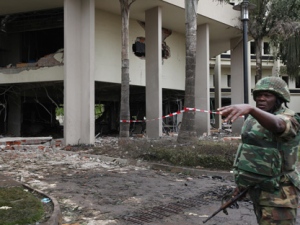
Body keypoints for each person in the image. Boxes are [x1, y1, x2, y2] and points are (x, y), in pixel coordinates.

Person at [217, 76, 300, 225]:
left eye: (267, 95)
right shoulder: (253, 119)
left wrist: (251, 109)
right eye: (258, 95)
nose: (261, 99)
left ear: (279, 98)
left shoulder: (290, 118)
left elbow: (279, 126)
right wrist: (243, 185)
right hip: (258, 191)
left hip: (279, 195)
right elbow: (253, 154)